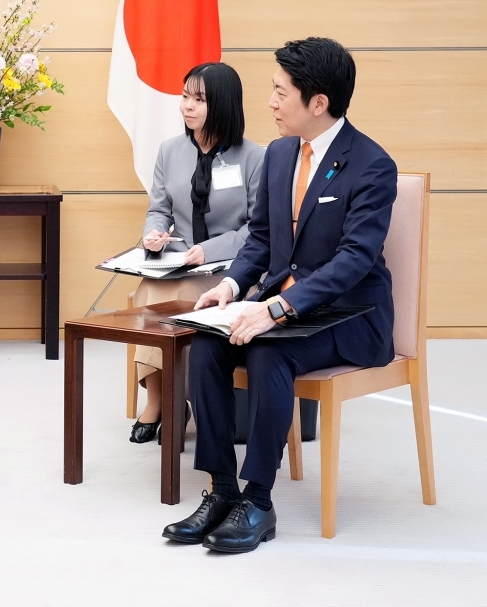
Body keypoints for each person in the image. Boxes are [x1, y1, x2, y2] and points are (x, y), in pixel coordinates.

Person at [163, 37, 396, 553]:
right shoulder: (281, 153)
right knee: (206, 345)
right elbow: (263, 240)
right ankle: (221, 490)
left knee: (270, 349)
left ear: (318, 103)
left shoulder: (372, 165)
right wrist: (230, 286)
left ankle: (259, 501)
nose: (269, 102)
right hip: (277, 304)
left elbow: (355, 259)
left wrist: (278, 308)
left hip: (349, 315)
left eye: (279, 92)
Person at [129, 62, 265, 444]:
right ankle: (161, 400)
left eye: (199, 99)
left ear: (222, 104)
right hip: (179, 263)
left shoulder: (255, 158)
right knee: (152, 292)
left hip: (231, 270)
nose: (187, 106)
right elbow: (159, 209)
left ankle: (173, 400)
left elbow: (259, 228)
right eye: (185, 96)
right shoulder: (170, 151)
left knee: (171, 298)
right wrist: (154, 235)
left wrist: (209, 250)